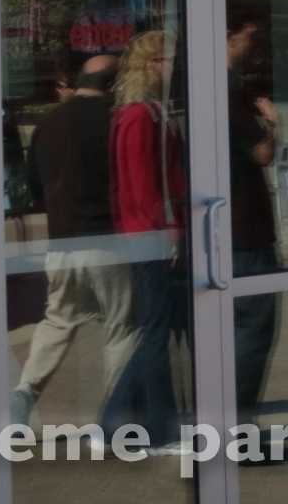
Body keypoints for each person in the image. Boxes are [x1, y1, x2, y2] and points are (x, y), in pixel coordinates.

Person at [10, 53, 135, 426]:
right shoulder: (116, 121)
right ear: (114, 84)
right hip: (107, 239)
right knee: (123, 326)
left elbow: (35, 188)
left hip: (62, 241)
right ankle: (115, 415)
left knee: (58, 320)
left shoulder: (49, 123)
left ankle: (24, 390)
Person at [102, 30, 187, 450]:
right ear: (150, 65)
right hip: (150, 235)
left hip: (146, 233)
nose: (174, 67)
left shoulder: (143, 112)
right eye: (167, 60)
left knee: (157, 327)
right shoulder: (141, 115)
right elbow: (143, 184)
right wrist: (167, 233)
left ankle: (114, 421)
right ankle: (157, 428)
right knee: (156, 331)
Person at [225, 9, 281, 432]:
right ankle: (238, 429)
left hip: (220, 231)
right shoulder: (229, 94)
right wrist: (274, 126)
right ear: (228, 36)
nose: (255, 45)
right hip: (244, 233)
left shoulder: (194, 89)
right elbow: (262, 154)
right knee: (250, 334)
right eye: (250, 35)